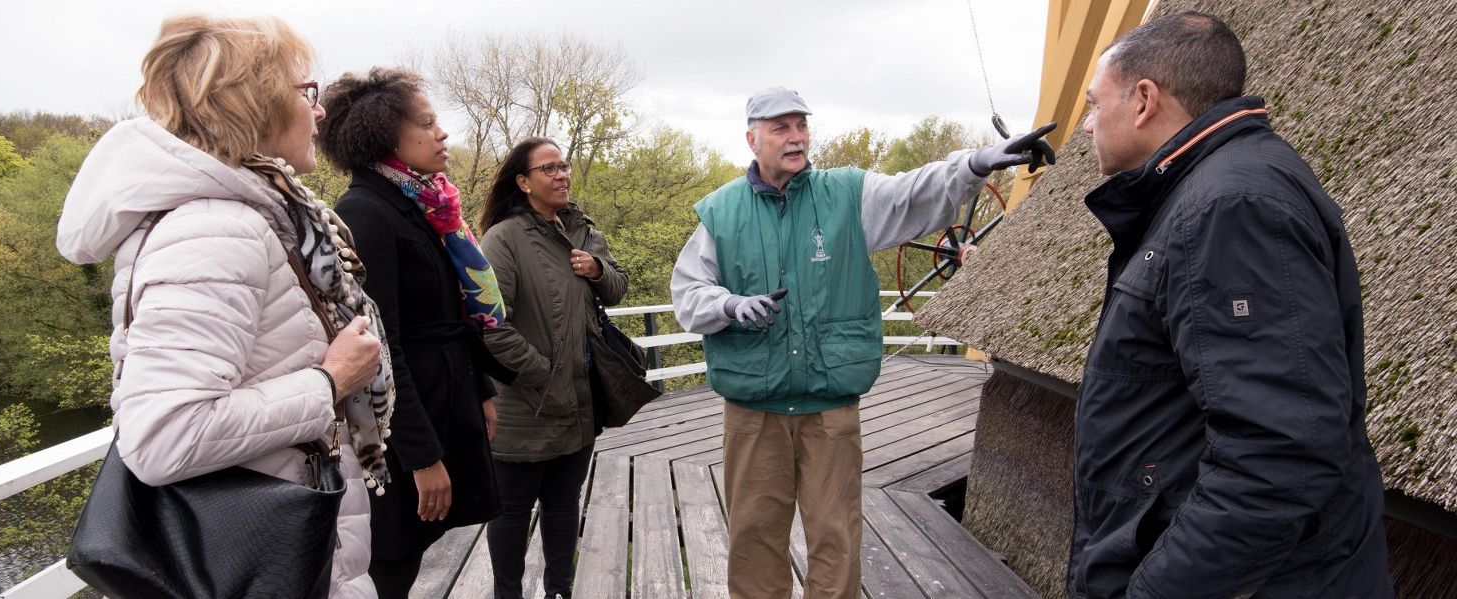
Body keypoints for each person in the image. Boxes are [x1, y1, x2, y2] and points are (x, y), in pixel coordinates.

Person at [670, 87, 1056, 597]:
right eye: (780, 128)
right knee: (753, 537)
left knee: (837, 537)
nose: (795, 137)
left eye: (801, 125)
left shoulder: (847, 194)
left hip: (830, 410)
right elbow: (687, 293)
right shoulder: (720, 212)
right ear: (752, 139)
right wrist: (729, 306)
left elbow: (913, 192)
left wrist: (976, 163)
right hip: (754, 413)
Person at [55, 15, 390, 598]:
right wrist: (331, 380)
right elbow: (165, 436)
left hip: (277, 547)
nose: (318, 113)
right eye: (305, 92)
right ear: (256, 102)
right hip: (257, 556)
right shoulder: (216, 227)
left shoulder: (258, 217)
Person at [1072, 10, 1392, 598]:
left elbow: (1278, 455)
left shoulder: (1230, 207)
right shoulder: (1214, 192)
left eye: (1095, 104)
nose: (1089, 125)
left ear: (1143, 100)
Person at [316, 67, 510, 598]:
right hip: (405, 423)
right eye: (427, 123)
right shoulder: (365, 211)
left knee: (415, 553)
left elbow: (450, 314)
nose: (442, 133)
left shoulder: (422, 205)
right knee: (391, 561)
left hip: (445, 395)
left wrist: (482, 392)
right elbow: (382, 345)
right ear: (385, 137)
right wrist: (420, 457)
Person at [476, 137, 644, 599]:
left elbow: (618, 287)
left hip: (579, 401)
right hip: (523, 408)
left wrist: (597, 270)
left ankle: (558, 591)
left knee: (563, 506)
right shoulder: (503, 238)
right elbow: (491, 327)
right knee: (511, 514)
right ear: (524, 181)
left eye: (563, 165)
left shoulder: (583, 231)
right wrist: (545, 375)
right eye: (548, 168)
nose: (561, 175)